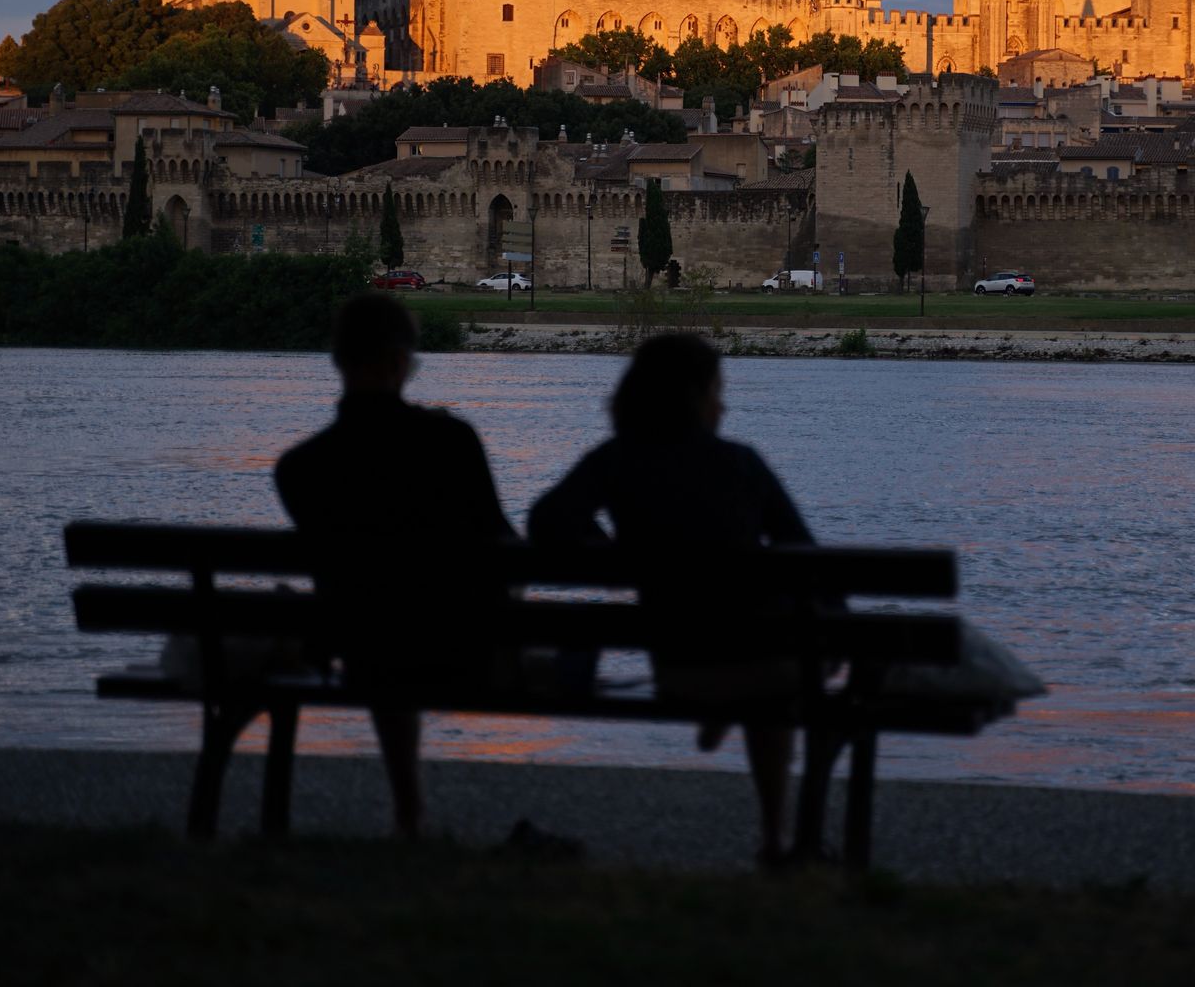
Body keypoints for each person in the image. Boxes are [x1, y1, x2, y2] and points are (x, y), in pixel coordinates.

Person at [528, 333, 816, 865]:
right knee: (780, 665)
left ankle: (726, 708)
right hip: (758, 660)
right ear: (699, 398)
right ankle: (777, 837)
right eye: (717, 390)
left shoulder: (615, 461)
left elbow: (546, 520)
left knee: (757, 658)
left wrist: (614, 556)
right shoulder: (741, 463)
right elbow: (806, 560)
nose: (723, 403)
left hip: (676, 662)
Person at [274, 292, 515, 839]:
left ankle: (409, 809)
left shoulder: (300, 469)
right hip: (463, 651)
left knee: (378, 620)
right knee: (410, 616)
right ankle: (410, 812)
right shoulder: (451, 441)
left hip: (359, 651)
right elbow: (503, 545)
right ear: (400, 362)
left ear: (338, 360)